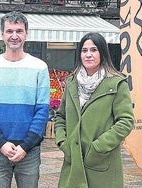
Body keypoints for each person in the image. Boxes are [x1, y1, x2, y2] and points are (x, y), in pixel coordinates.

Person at [0, 11, 50, 188]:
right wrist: (1, 143)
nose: (14, 36)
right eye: (9, 31)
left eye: (19, 31)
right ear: (2, 34)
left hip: (29, 151)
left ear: (26, 33)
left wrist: (25, 146)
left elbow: (42, 111)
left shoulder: (40, 68)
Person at [54, 32, 134, 188]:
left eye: (94, 50)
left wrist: (99, 147)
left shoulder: (117, 83)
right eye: (84, 50)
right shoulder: (71, 82)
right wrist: (63, 142)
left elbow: (125, 121)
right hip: (73, 162)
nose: (88, 55)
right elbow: (60, 116)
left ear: (102, 53)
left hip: (102, 163)